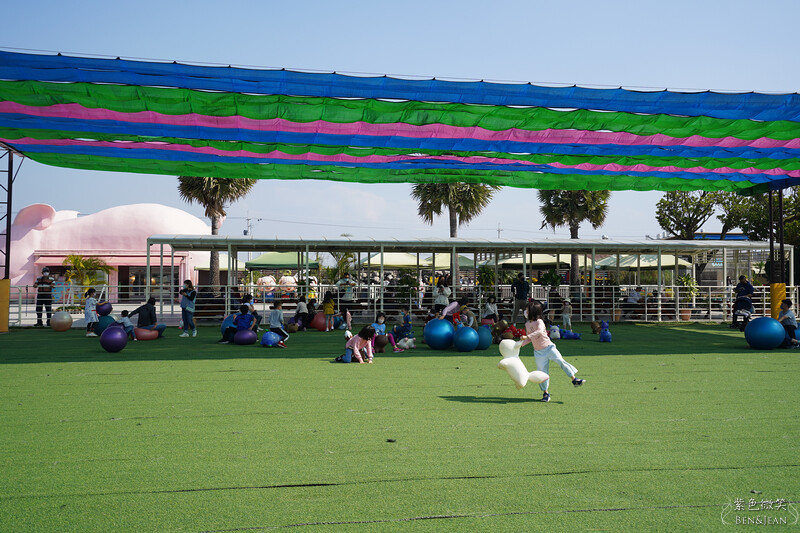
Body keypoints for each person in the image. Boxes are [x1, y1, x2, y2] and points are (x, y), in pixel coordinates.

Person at [519, 301, 585, 402]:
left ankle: (574, 379)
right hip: (538, 352)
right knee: (542, 372)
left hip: (549, 348)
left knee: (561, 361)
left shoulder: (539, 321)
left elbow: (539, 331)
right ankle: (545, 393)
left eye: (527, 310)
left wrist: (527, 336)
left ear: (532, 311)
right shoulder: (527, 324)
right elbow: (529, 339)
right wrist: (519, 345)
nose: (525, 312)